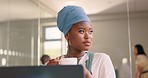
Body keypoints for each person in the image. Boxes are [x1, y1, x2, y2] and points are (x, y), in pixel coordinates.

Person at [47, 5, 115, 78]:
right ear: (67, 35)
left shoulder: (101, 60)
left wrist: (86, 74)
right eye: (81, 31)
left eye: (90, 31)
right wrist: (49, 73)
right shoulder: (56, 64)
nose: (88, 36)